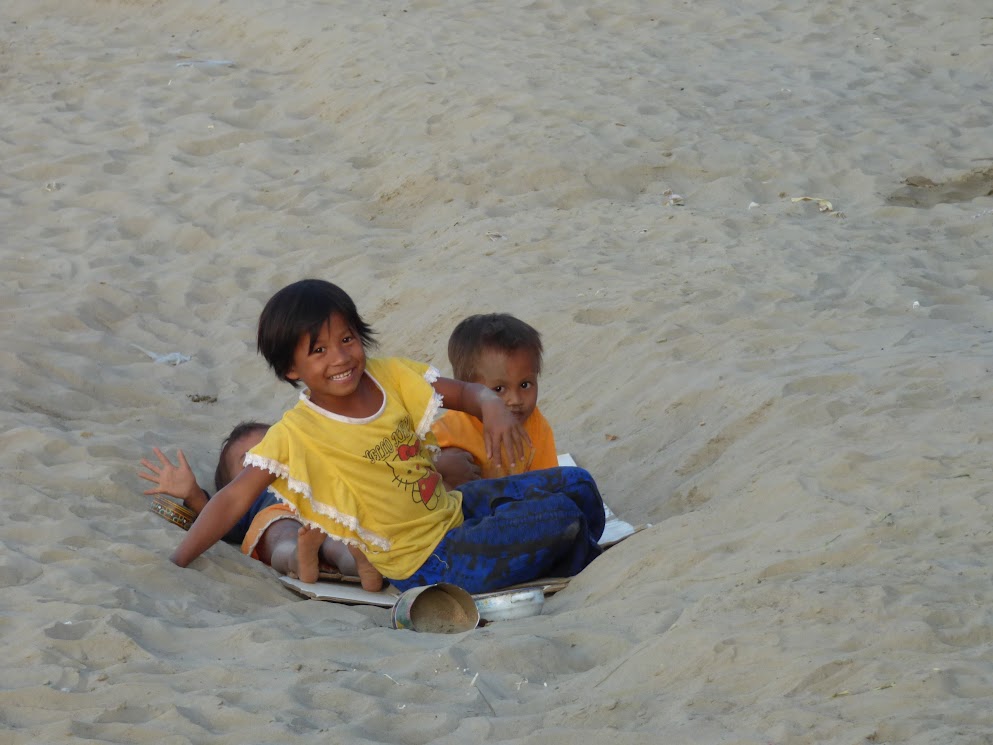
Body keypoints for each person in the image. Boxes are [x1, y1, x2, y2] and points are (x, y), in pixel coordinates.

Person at [170, 278, 604, 594]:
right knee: (561, 517)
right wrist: (178, 560)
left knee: (580, 486)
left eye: (346, 339)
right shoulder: (296, 432)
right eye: (318, 350)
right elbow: (232, 500)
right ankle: (571, 553)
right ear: (291, 370)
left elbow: (464, 392)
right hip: (429, 561)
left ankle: (568, 547)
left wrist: (491, 406)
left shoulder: (390, 376)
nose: (340, 357)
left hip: (454, 510)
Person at [141, 422, 363, 587]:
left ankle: (355, 563)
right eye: (249, 461)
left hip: (324, 512)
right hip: (277, 514)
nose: (264, 461)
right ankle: (297, 558)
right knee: (282, 535)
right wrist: (193, 494)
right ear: (232, 484)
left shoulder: (307, 472)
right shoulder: (252, 496)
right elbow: (224, 519)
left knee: (338, 541)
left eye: (273, 448)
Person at [432, 313, 558, 489]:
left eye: (525, 384)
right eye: (498, 389)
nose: (515, 400)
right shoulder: (450, 428)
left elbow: (548, 482)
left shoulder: (536, 427)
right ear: (470, 390)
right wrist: (441, 463)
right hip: (465, 512)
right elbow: (410, 471)